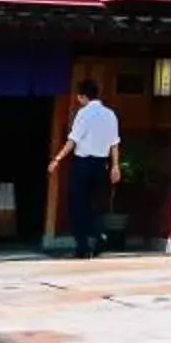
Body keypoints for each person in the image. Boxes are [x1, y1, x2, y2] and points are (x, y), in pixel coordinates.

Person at [46, 82, 120, 259]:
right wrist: (115, 166)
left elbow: (73, 141)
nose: (78, 100)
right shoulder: (110, 115)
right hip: (101, 164)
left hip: (83, 164)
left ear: (83, 97)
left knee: (78, 204)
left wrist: (57, 159)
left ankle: (82, 247)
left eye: (79, 97)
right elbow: (114, 143)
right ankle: (99, 235)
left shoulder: (84, 113)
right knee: (96, 204)